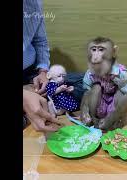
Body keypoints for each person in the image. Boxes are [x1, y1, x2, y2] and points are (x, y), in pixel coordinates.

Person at [23, 0, 85, 132]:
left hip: (30, 73)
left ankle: (36, 103)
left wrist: (43, 72)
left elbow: (40, 42)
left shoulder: (34, 3)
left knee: (89, 82)